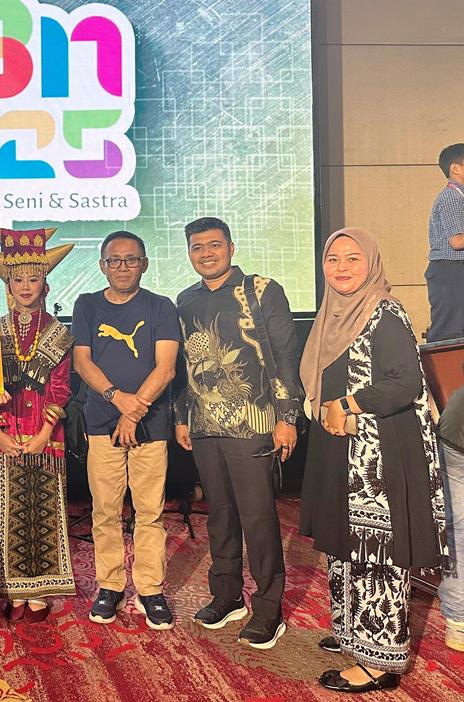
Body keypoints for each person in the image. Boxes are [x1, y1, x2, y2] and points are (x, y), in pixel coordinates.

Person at [299, 227, 447, 692]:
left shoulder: (384, 313)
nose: (341, 268)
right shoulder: (332, 314)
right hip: (339, 448)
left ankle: (379, 661)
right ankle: (353, 632)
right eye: (333, 259)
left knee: (374, 553)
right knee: (345, 546)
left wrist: (346, 404)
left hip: (375, 460)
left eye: (353, 258)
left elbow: (404, 383)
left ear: (371, 264)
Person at [174, 216, 302, 649]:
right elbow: (184, 367)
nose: (206, 253)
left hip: (255, 423)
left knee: (258, 517)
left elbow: (286, 356)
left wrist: (287, 417)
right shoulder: (185, 300)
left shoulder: (262, 291)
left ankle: (268, 609)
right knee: (220, 515)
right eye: (197, 247)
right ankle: (226, 596)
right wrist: (181, 416)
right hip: (204, 427)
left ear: (231, 247)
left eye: (214, 245)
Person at [70, 231, 180, 630]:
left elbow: (166, 368)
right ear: (102, 265)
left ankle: (150, 589)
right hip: (101, 422)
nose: (122, 267)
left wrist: (133, 413)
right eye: (114, 260)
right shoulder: (86, 304)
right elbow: (82, 362)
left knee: (150, 511)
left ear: (144, 264)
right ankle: (110, 585)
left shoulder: (161, 306)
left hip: (151, 423)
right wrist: (118, 400)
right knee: (105, 510)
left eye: (131, 260)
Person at [0, 226, 77, 623]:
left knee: (44, 511)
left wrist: (44, 433)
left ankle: (40, 593)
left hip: (44, 435)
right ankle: (14, 592)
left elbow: (60, 387)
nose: (25, 286)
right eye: (17, 279)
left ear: (44, 283)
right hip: (6, 435)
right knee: (8, 513)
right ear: (8, 284)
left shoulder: (59, 333)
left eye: (33, 279)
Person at [424, 143, 464, 343]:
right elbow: (457, 241)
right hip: (451, 270)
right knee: (450, 332)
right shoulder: (452, 197)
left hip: (455, 270)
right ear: (455, 168)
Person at [439, 386, 464, 651]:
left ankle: (458, 621)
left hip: (454, 428)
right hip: (456, 438)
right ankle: (458, 619)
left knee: (457, 530)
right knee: (459, 531)